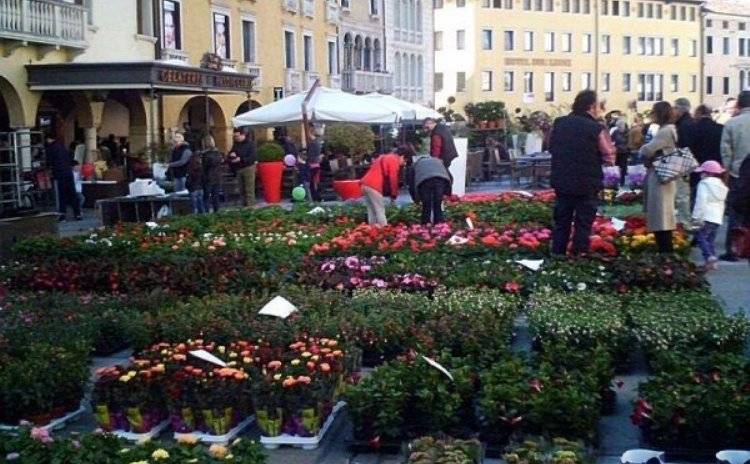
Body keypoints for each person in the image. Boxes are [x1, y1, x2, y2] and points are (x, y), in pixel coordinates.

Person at [549, 90, 616, 255]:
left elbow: (549, 146)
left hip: (562, 181)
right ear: (592, 106)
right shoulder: (596, 128)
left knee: (562, 222)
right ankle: (578, 257)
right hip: (588, 182)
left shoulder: (559, 123)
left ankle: (558, 255)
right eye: (599, 106)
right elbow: (609, 157)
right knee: (583, 224)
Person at [639, 101, 679, 253]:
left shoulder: (665, 131)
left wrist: (641, 149)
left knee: (660, 217)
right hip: (665, 175)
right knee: (662, 216)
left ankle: (665, 255)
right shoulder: (670, 129)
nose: (651, 115)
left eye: (653, 112)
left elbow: (648, 150)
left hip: (660, 176)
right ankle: (665, 253)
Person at [720, 91, 750, 261]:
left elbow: (726, 151)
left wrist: (727, 171)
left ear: (739, 105)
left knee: (735, 212)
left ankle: (733, 248)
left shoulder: (732, 124)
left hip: (738, 173)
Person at [691, 160, 728, 270]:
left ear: (708, 173)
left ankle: (709, 257)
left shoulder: (704, 184)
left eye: (703, 172)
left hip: (706, 216)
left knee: (700, 237)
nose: (701, 174)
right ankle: (712, 261)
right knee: (710, 240)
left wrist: (696, 217)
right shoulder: (722, 186)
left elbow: (700, 201)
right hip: (717, 218)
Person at [360, 149, 406, 226]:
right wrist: (394, 194)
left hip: (364, 184)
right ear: (402, 156)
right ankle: (385, 232)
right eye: (405, 161)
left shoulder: (383, 157)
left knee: (371, 210)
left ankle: (372, 232)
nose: (404, 164)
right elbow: (393, 178)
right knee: (380, 210)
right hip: (374, 185)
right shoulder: (394, 159)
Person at [690, 104, 724, 209]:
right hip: (716, 166)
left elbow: (689, 148)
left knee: (697, 195)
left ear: (698, 113)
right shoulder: (721, 128)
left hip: (697, 166)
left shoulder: (693, 128)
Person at [407, 148, 452, 225]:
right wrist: (447, 192)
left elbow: (411, 184)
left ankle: (425, 225)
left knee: (426, 204)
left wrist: (416, 199)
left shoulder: (415, 165)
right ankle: (439, 226)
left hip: (424, 181)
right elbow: (449, 176)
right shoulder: (437, 161)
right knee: (437, 204)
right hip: (440, 180)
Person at [45, 134, 82, 221]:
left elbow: (49, 161)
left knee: (62, 195)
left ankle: (63, 215)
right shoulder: (62, 146)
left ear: (48, 139)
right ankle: (78, 214)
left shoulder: (50, 148)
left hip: (59, 173)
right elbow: (70, 158)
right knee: (72, 193)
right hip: (68, 172)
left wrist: (49, 169)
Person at [673, 98, 696, 227]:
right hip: (683, 161)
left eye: (675, 108)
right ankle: (683, 222)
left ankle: (684, 224)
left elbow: (684, 147)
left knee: (682, 196)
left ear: (681, 109)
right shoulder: (687, 122)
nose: (673, 111)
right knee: (682, 196)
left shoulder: (684, 124)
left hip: (681, 162)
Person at [228, 127, 257, 207]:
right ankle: (244, 206)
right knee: (241, 189)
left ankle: (251, 207)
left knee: (249, 189)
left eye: (237, 136)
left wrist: (241, 159)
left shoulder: (251, 144)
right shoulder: (236, 144)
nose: (236, 138)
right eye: (235, 136)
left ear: (243, 135)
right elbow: (230, 153)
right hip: (238, 169)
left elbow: (253, 157)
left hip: (248, 168)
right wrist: (231, 156)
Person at [201, 135, 223, 213]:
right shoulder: (218, 153)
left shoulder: (204, 154)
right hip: (217, 176)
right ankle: (216, 212)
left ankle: (206, 213)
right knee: (215, 196)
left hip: (208, 177)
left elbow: (204, 167)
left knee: (206, 197)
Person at [610, 118, 630, 186]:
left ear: (624, 126)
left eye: (620, 127)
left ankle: (622, 180)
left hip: (624, 152)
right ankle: (615, 180)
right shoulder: (615, 132)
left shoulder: (628, 132)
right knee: (616, 166)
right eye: (618, 127)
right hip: (617, 152)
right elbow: (611, 139)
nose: (619, 128)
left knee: (623, 167)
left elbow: (629, 142)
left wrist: (627, 147)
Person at [185, 148, 205, 214]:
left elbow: (189, 177)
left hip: (193, 186)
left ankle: (195, 215)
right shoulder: (201, 165)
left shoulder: (191, 164)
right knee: (200, 203)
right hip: (199, 186)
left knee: (194, 204)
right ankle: (202, 216)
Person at [306, 128, 323, 202]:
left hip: (313, 164)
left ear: (311, 133)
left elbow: (310, 155)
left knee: (312, 183)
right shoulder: (318, 142)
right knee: (315, 181)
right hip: (316, 164)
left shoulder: (313, 143)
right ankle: (317, 197)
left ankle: (316, 197)